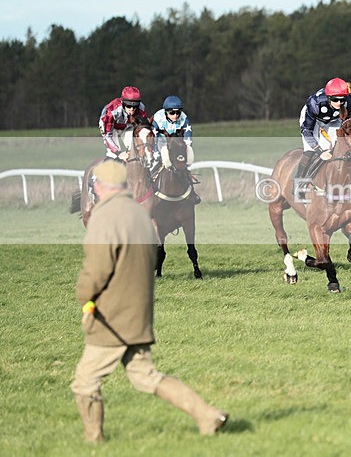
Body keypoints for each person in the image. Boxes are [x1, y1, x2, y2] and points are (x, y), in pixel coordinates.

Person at [70, 161, 227, 443]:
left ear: (104, 187)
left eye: (94, 185)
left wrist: (85, 297)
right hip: (138, 313)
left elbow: (96, 271)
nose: (92, 189)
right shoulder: (142, 216)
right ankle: (207, 415)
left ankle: (93, 442)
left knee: (84, 381)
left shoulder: (104, 218)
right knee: (146, 377)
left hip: (110, 316)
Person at [296, 77, 351, 188]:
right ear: (329, 97)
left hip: (333, 120)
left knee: (334, 148)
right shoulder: (314, 103)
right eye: (335, 99)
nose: (339, 103)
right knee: (310, 151)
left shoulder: (349, 103)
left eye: (342, 99)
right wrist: (319, 151)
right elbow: (307, 131)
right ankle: (298, 183)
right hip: (313, 121)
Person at [151, 95, 201, 204]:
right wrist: (155, 152)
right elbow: (153, 137)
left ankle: (191, 191)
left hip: (176, 143)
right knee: (158, 160)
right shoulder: (158, 118)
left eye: (177, 112)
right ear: (165, 112)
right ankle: (150, 184)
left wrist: (187, 149)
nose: (175, 115)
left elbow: (188, 135)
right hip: (161, 142)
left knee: (185, 162)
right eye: (172, 113)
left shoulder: (184, 118)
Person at [99, 86, 150, 161]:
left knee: (135, 148)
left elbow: (143, 129)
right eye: (128, 106)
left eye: (134, 106)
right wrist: (118, 153)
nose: (132, 109)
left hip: (127, 126)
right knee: (113, 154)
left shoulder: (141, 108)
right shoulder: (112, 111)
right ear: (122, 102)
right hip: (109, 127)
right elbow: (107, 135)